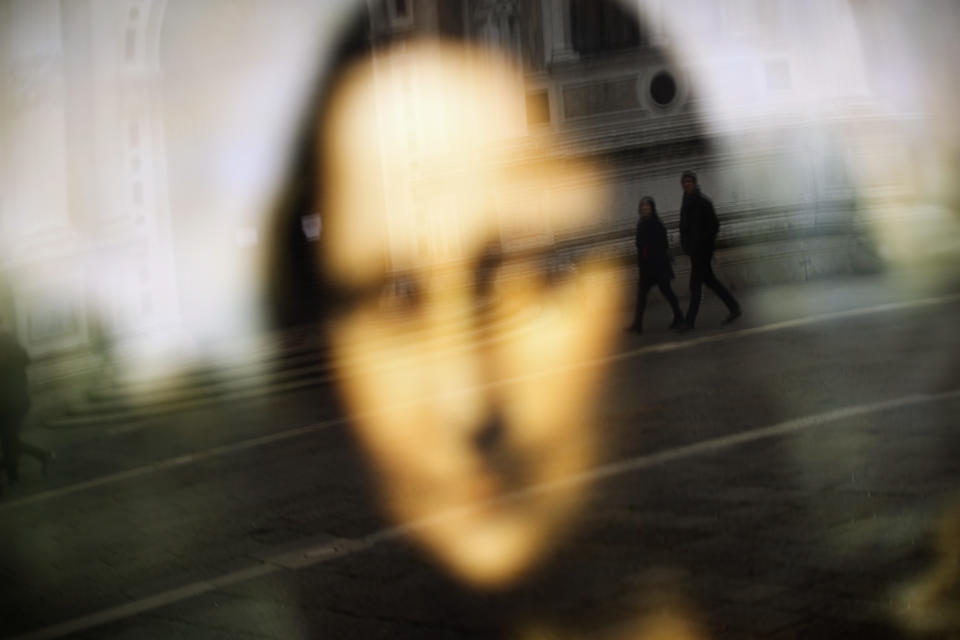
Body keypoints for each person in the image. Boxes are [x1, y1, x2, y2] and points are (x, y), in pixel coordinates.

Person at [677, 170, 741, 330]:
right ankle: (734, 308)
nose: (687, 184)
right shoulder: (685, 203)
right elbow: (684, 228)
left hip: (702, 252)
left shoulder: (703, 202)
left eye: (689, 181)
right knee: (712, 282)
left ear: (695, 183)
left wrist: (703, 244)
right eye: (684, 182)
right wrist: (686, 245)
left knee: (695, 286)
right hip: (694, 252)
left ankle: (689, 322)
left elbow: (714, 226)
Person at [0, 326, 53, 495]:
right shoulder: (18, 353)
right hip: (20, 401)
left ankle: (40, 458)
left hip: (7, 403)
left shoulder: (5, 358)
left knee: (9, 441)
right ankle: (16, 474)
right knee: (9, 440)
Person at [626, 196, 684, 333]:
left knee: (667, 292)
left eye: (647, 207)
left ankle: (679, 317)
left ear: (652, 209)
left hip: (658, 266)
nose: (645, 209)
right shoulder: (642, 223)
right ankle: (637, 324)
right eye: (643, 207)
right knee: (643, 295)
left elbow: (662, 245)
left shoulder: (656, 224)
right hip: (647, 267)